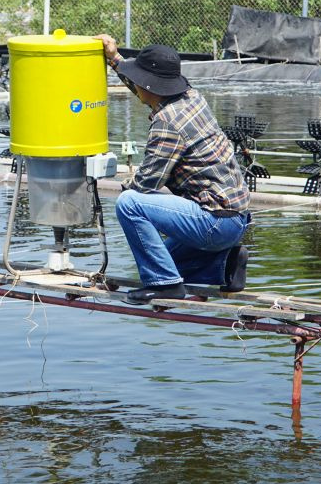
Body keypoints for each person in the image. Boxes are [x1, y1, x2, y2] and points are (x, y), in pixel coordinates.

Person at [95, 34, 250, 304]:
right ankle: (225, 265)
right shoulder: (191, 96)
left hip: (214, 221)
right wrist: (115, 59)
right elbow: (146, 91)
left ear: (149, 85)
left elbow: (146, 184)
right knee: (164, 261)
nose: (137, 87)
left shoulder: (167, 122)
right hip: (236, 220)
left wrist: (122, 187)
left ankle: (165, 286)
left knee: (129, 203)